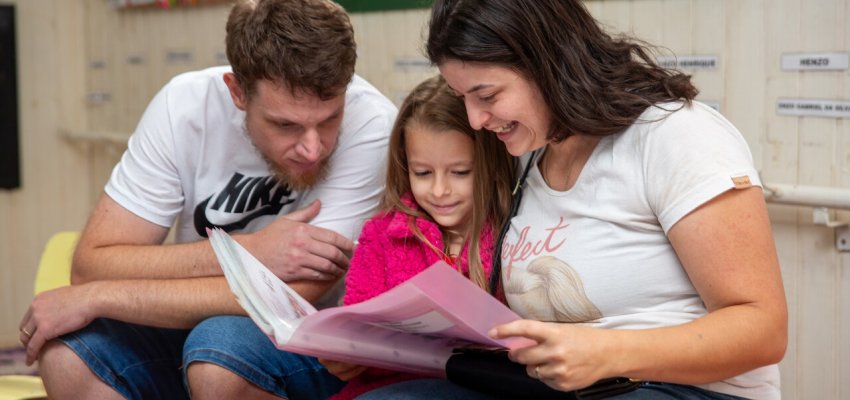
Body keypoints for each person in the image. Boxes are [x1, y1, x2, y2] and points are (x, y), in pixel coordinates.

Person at [357, 0, 790, 399]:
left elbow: (764, 331)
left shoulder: (675, 135)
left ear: (547, 64)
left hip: (685, 390)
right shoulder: (530, 153)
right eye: (463, 98)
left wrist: (607, 352)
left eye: (487, 96)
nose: (475, 119)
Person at [17, 0, 397, 399]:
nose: (313, 148)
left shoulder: (372, 122)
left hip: (309, 339)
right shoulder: (182, 106)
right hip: (194, 323)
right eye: (285, 124)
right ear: (237, 92)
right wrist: (247, 251)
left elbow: (297, 292)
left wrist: (99, 297)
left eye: (329, 119)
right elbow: (93, 265)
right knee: (64, 354)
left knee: (217, 354)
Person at [317, 75, 516, 400]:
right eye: (422, 173)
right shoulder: (382, 235)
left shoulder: (514, 234)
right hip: (389, 385)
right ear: (404, 164)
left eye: (460, 172)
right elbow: (358, 325)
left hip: (487, 386)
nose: (439, 190)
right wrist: (347, 355)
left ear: (491, 165)